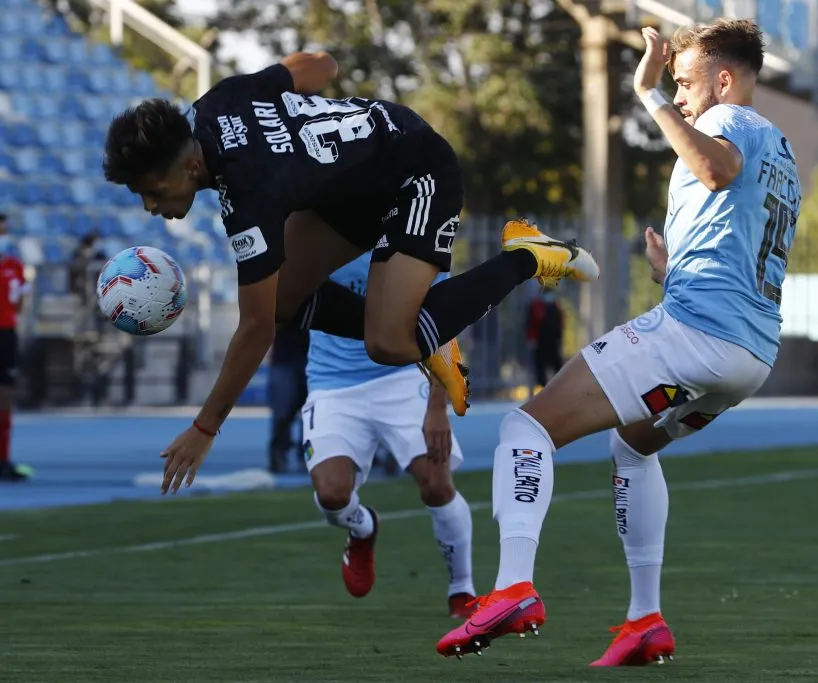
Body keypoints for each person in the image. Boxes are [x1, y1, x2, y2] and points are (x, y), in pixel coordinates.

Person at [437, 19, 801, 666]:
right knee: (632, 447)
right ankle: (644, 618)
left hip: (695, 333)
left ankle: (514, 585)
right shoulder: (785, 158)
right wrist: (672, 271)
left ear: (724, 79)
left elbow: (716, 170)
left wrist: (648, 93)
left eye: (686, 81)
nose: (680, 94)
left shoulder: (736, 125)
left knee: (526, 428)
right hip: (746, 358)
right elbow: (742, 239)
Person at [101, 51, 599, 495]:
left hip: (414, 172)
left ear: (189, 167)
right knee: (285, 301)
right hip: (353, 189)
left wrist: (205, 428)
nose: (149, 205)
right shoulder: (218, 101)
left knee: (389, 344)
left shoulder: (251, 196)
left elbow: (255, 331)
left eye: (152, 189)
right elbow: (322, 64)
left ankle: (528, 256)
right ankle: (429, 333)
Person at [302, 252, 476, 616]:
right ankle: (364, 528)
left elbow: (442, 322)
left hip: (401, 375)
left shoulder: (414, 230)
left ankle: (463, 590)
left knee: (436, 482)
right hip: (332, 382)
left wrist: (436, 407)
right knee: (332, 495)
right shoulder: (316, 228)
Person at [0, 213, 29, 482]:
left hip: (6, 333)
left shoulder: (14, 265)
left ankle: (3, 459)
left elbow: (20, 302)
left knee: (5, 398)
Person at [267, 325, 309, 473]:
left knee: (312, 414)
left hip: (312, 357)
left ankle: (308, 456)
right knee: (283, 413)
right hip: (285, 357)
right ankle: (279, 455)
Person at [525, 286, 564, 389]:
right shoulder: (535, 306)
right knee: (540, 366)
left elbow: (559, 324)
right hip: (540, 342)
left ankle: (558, 386)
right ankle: (542, 387)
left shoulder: (555, 306)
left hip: (553, 342)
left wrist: (559, 339)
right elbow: (530, 323)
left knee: (556, 365)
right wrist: (531, 338)